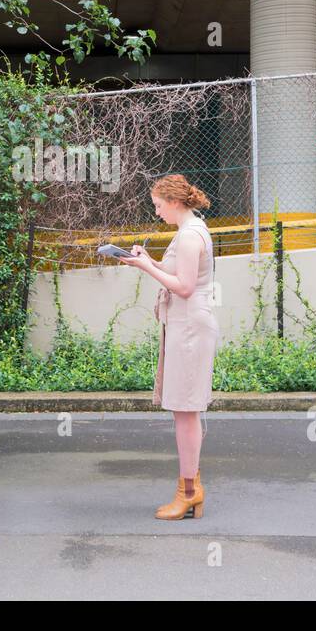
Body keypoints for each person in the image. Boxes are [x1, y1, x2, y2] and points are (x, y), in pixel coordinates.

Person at [119, 173, 218, 520]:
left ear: (175, 203)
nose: (157, 212)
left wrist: (145, 265)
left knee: (185, 411)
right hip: (186, 326)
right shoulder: (192, 230)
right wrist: (151, 261)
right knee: (184, 410)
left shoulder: (190, 236)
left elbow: (186, 286)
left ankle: (189, 492)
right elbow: (178, 276)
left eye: (159, 206)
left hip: (190, 328)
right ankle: (191, 490)